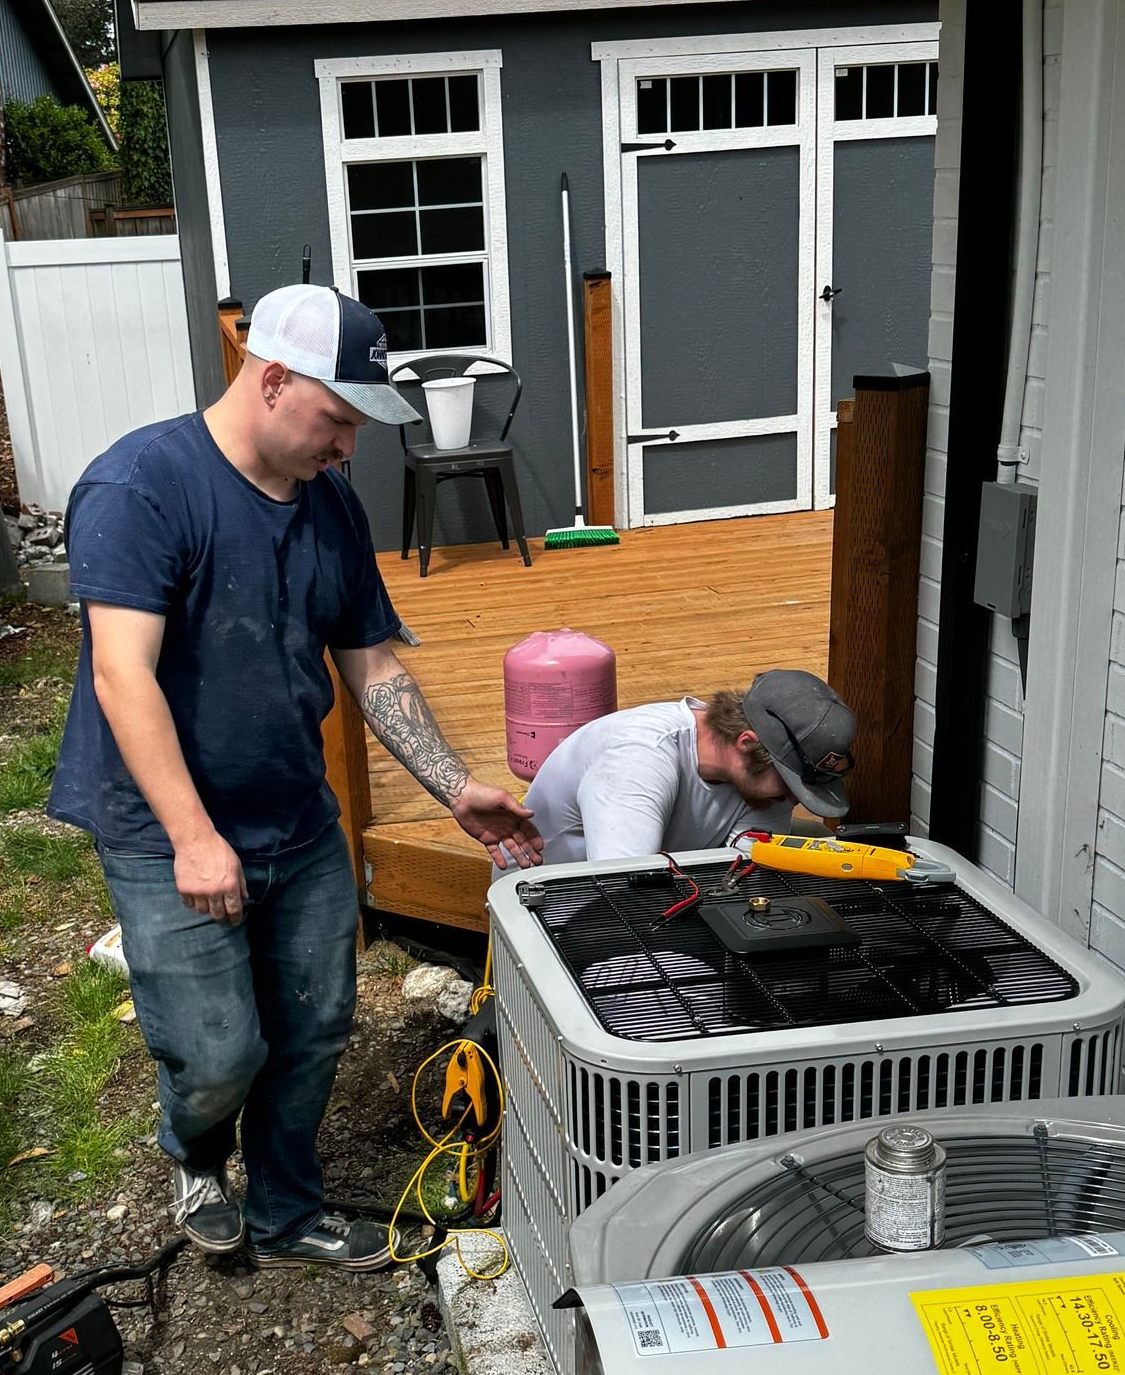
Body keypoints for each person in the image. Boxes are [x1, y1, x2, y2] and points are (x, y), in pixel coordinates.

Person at [47, 285, 543, 1271]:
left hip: (296, 821)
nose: (349, 445)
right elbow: (121, 673)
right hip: (164, 832)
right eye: (339, 419)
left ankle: (286, 1206)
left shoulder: (329, 506)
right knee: (221, 1050)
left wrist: (453, 786)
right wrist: (195, 837)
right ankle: (194, 1150)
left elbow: (371, 661)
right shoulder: (141, 486)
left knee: (314, 1025)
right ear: (273, 379)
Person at [518, 670, 855, 867]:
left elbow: (752, 863)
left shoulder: (757, 779)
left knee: (822, 845)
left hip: (653, 892)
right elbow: (622, 887)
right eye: (790, 783)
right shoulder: (639, 758)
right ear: (747, 743)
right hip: (561, 911)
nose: (792, 799)